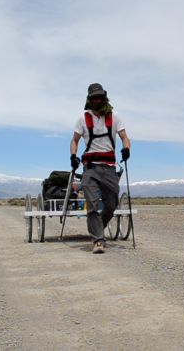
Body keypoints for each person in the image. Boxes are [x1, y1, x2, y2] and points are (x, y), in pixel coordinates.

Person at [70, 83, 131, 254]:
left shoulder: (115, 117)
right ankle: (98, 240)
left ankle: (98, 228)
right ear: (89, 99)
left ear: (104, 98)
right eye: (94, 98)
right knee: (92, 205)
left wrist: (126, 149)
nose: (97, 100)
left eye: (100, 97)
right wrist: (73, 156)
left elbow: (125, 137)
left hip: (109, 167)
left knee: (111, 205)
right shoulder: (82, 119)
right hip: (90, 168)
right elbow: (74, 140)